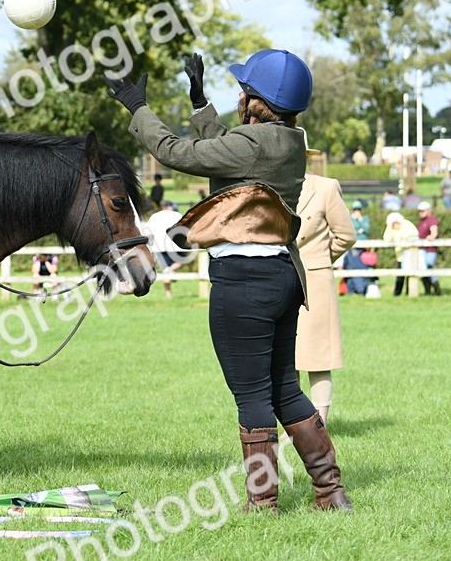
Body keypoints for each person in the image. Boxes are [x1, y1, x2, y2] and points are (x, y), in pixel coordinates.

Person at [107, 49, 350, 512]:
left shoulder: (253, 143)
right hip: (282, 275)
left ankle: (263, 502)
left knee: (253, 396)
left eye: (244, 90)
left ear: (259, 101)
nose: (240, 95)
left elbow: (174, 152)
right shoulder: (288, 142)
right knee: (285, 388)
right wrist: (200, 102)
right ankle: (331, 492)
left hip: (244, 281)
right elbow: (227, 148)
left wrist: (137, 107)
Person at [294, 159, 356, 427]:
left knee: (317, 355)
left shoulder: (326, 187)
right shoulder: (270, 183)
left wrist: (319, 259)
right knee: (285, 358)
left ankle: (320, 424)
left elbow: (346, 235)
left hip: (315, 280)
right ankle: (292, 424)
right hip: (277, 276)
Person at [145, 199, 184, 299]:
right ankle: (171, 269)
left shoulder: (155, 216)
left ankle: (168, 294)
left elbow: (147, 232)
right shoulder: (177, 215)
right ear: (170, 207)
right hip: (174, 245)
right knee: (182, 261)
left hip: (159, 247)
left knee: (164, 270)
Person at [385, 213, 418, 296]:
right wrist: (389, 228)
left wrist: (403, 238)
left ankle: (409, 292)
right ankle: (397, 293)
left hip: (410, 255)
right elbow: (387, 238)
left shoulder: (407, 224)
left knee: (410, 275)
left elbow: (414, 235)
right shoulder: (390, 228)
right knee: (400, 275)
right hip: (400, 256)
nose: (395, 225)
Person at [415, 201, 441, 295]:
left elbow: (434, 232)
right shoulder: (421, 221)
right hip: (421, 248)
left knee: (429, 266)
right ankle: (428, 290)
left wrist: (432, 236)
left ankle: (437, 289)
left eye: (422, 211)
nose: (420, 213)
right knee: (422, 268)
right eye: (419, 211)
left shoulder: (432, 219)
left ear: (428, 210)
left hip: (430, 249)